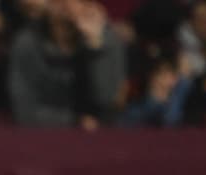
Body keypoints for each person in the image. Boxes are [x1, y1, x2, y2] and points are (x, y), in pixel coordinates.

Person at [8, 0, 126, 128]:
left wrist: (95, 48)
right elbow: (25, 111)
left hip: (101, 133)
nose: (68, 5)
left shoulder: (107, 40)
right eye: (58, 1)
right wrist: (74, 121)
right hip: (45, 132)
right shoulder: (27, 42)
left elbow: (107, 101)